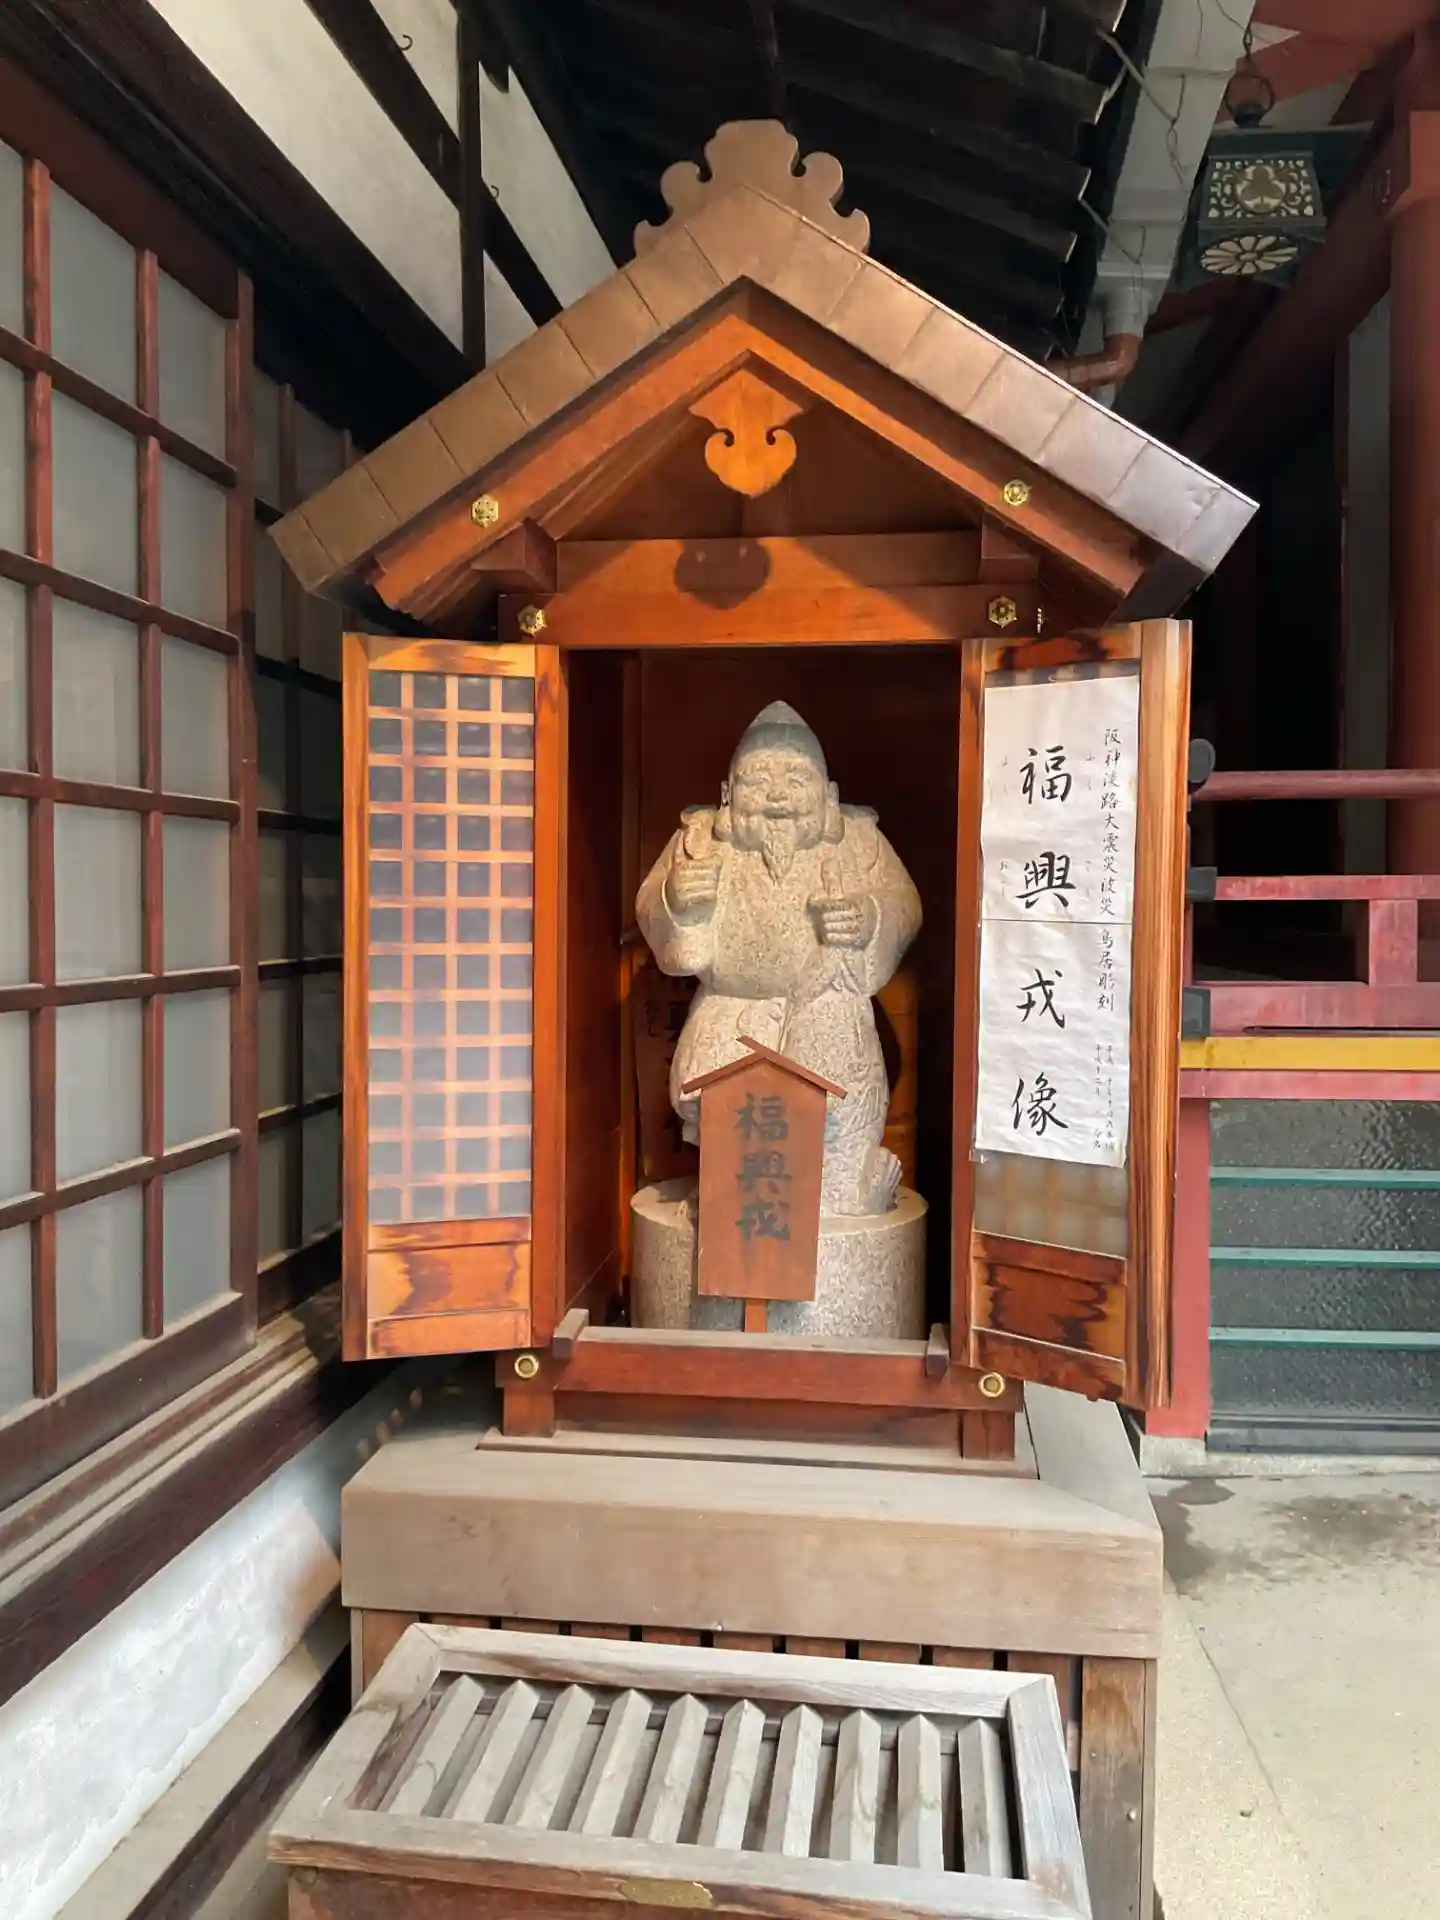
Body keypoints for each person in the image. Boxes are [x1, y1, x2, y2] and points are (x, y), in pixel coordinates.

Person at [636, 701, 921, 1214]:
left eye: (796, 778)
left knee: (837, 1095)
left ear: (829, 795)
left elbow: (905, 907)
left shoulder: (859, 841)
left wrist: (869, 918)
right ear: (727, 794)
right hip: (731, 1012)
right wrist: (675, 899)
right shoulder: (698, 839)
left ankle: (844, 1187)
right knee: (728, 1113)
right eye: (758, 779)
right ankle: (727, 1201)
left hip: (828, 1008)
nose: (777, 795)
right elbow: (650, 909)